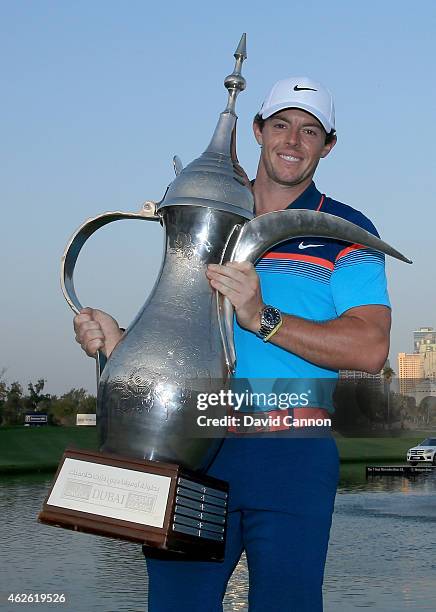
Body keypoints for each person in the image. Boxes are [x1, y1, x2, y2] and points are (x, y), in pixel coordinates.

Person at [74, 76, 391, 611]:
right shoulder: (206, 213)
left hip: (292, 451)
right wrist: (117, 342)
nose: (293, 141)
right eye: (282, 125)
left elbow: (370, 348)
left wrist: (262, 317)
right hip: (192, 448)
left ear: (328, 145)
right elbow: (179, 336)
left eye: (310, 131)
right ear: (258, 131)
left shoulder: (345, 230)